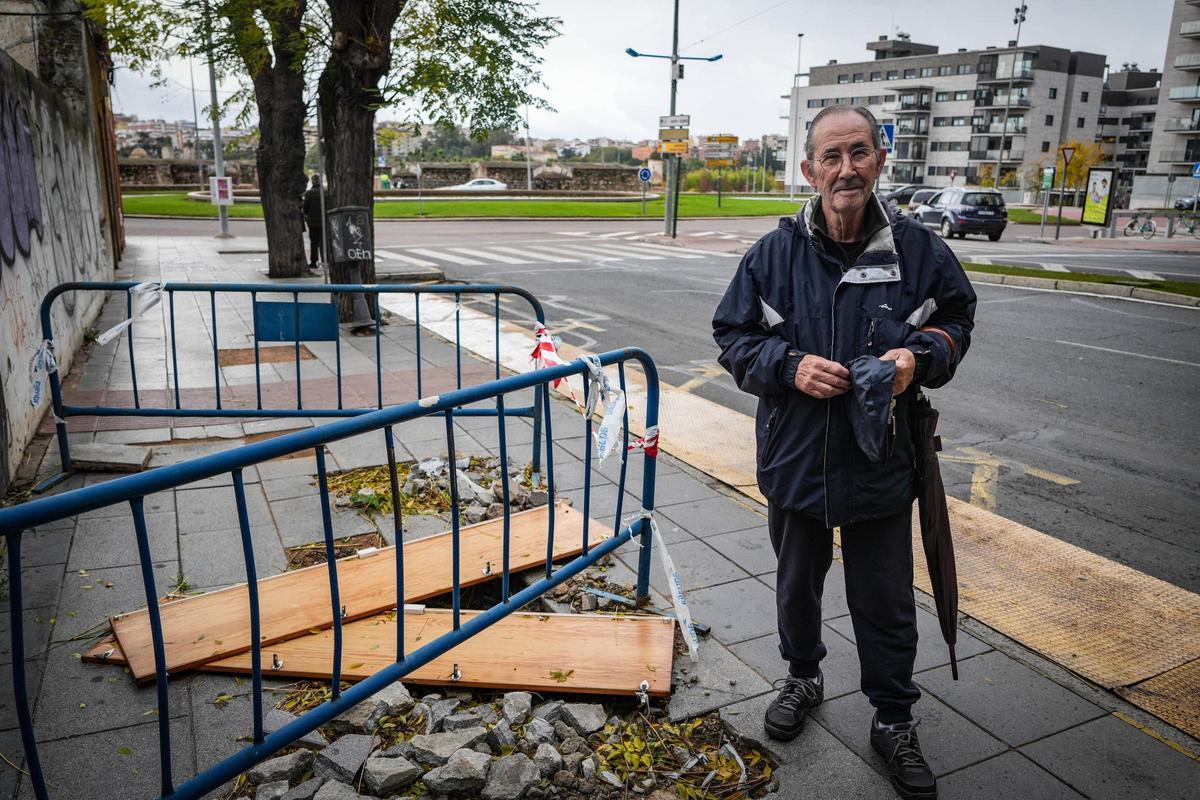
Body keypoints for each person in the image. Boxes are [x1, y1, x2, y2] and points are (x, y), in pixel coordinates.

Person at [712, 105, 976, 800]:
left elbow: (957, 319)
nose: (847, 168)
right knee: (797, 586)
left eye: (859, 152)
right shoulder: (772, 255)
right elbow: (733, 339)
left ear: (880, 160)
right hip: (795, 457)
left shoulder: (918, 251)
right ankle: (803, 677)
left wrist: (917, 361)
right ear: (810, 170)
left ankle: (893, 720)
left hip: (881, 464)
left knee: (884, 601)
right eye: (832, 156)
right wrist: (787, 365)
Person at [302, 174, 323, 272]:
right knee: (323, 242)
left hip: (313, 223)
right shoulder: (325, 192)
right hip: (324, 222)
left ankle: (314, 262)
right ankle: (324, 261)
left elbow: (305, 208)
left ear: (313, 181)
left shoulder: (309, 193)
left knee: (314, 243)